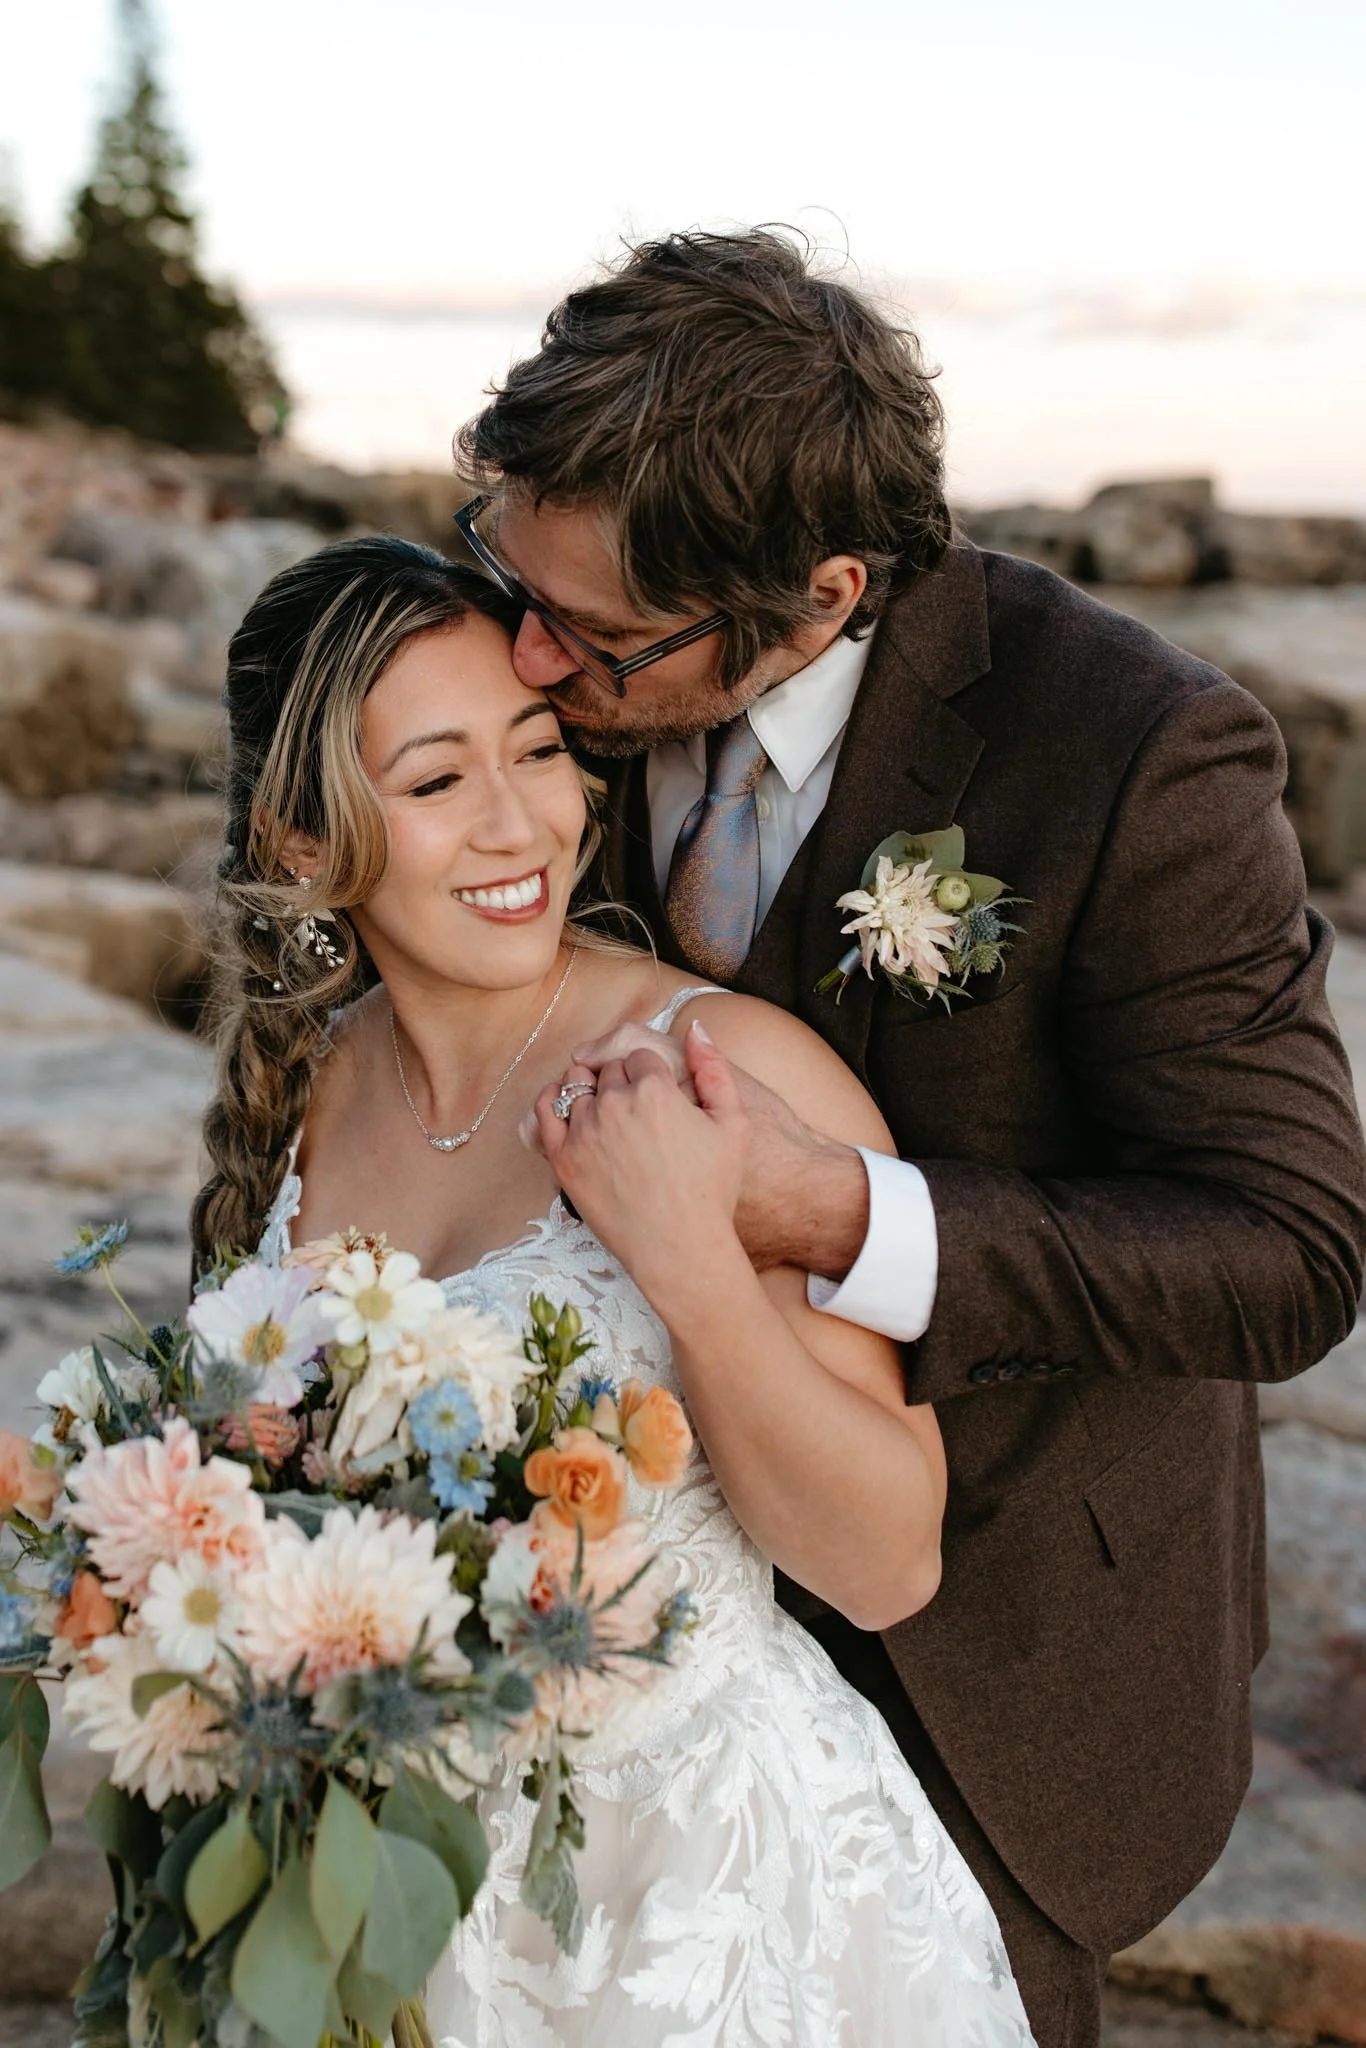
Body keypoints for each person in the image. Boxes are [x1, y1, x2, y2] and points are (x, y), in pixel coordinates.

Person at [451, 226, 1366, 2048]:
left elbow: (1289, 1253)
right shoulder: (534, 637)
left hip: (992, 1651)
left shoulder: (1138, 756)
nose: (531, 661)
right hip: (607, 1592)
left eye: (605, 639)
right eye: (509, 573)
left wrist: (836, 1212)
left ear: (824, 589)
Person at [192, 535, 1038, 2047]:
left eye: (539, 749)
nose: (522, 819)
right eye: (438, 780)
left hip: (698, 1900)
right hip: (371, 1880)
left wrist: (689, 1262)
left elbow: (885, 1559)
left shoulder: (733, 1073)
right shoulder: (310, 1097)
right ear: (308, 846)